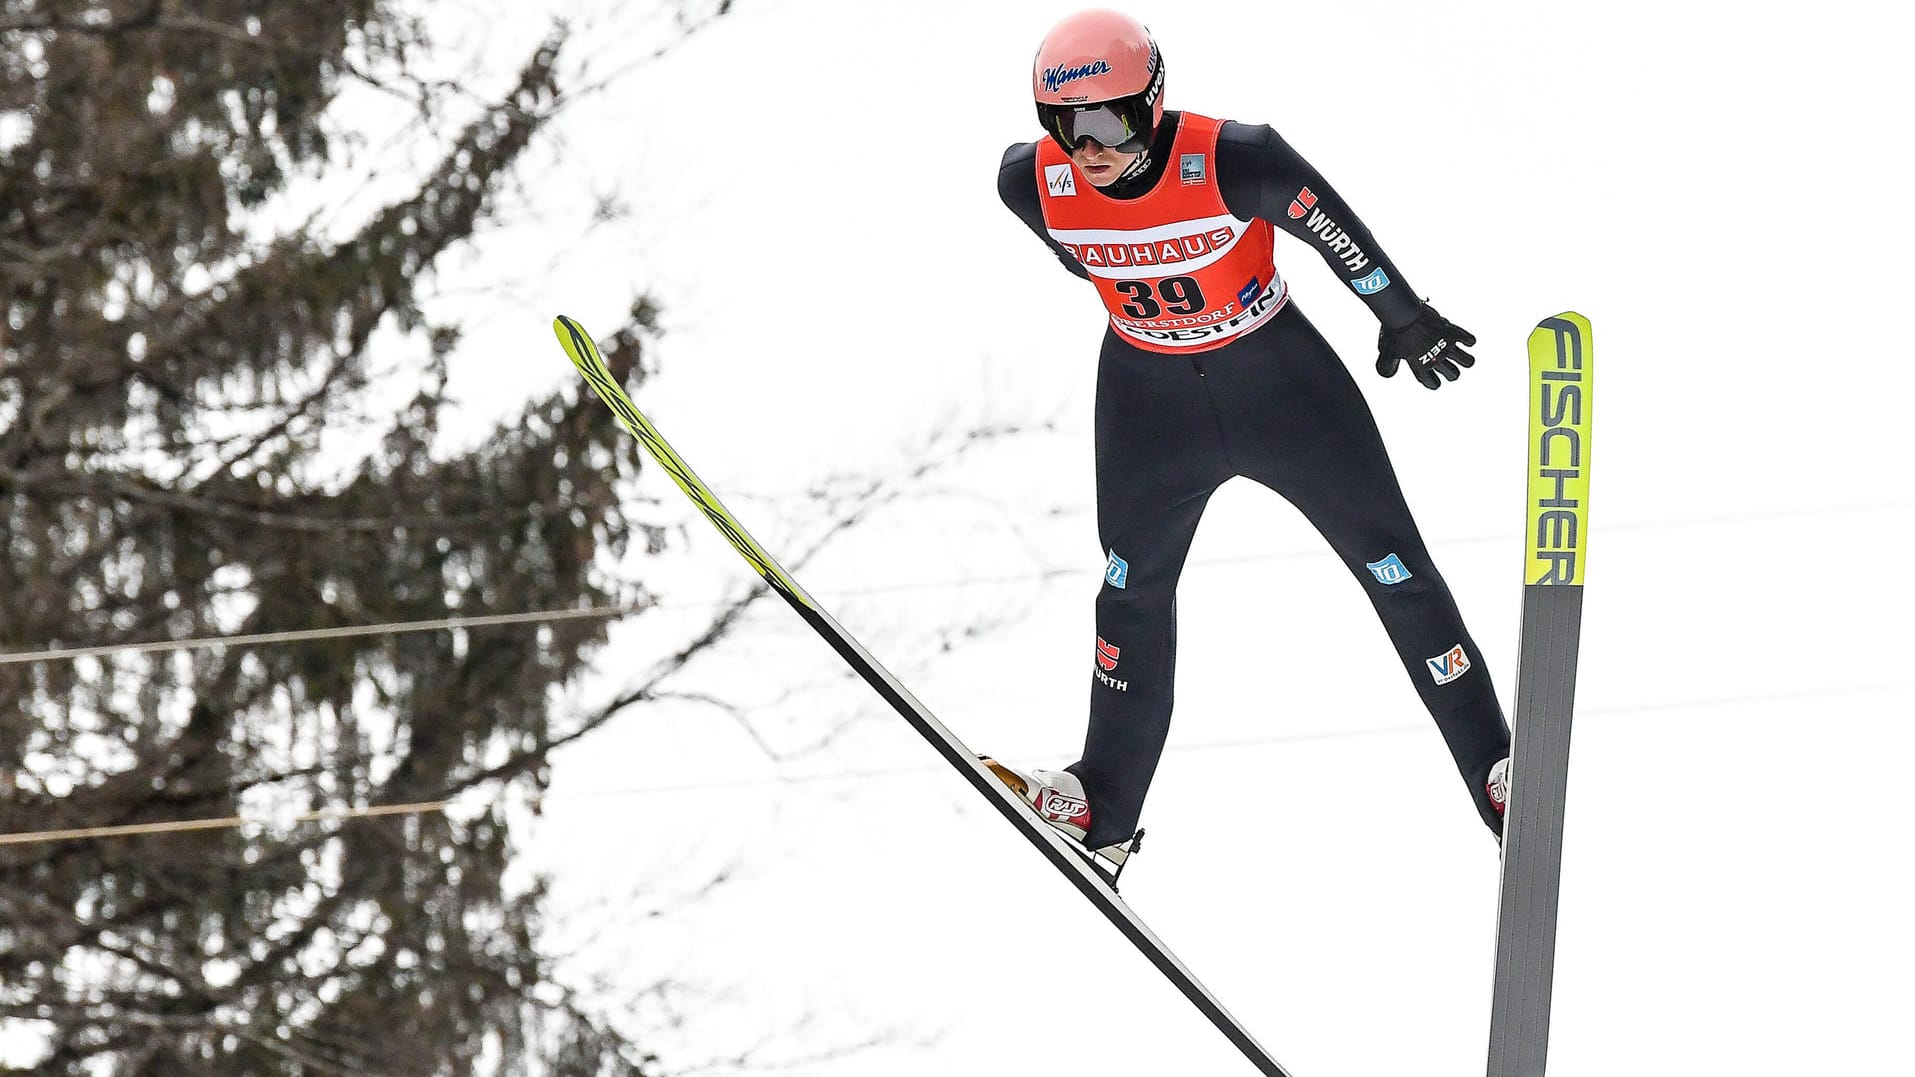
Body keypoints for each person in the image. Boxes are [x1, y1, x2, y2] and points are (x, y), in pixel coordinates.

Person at [982, 9, 1512, 869]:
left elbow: (1337, 235)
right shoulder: (1025, 183)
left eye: (1109, 119)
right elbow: (1087, 253)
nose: (1088, 146)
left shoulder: (1237, 157)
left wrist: (1402, 318)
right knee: (1128, 589)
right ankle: (1102, 807)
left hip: (1279, 383)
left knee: (1394, 567)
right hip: (1148, 399)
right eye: (1063, 126)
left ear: (1151, 102)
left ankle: (1496, 769)